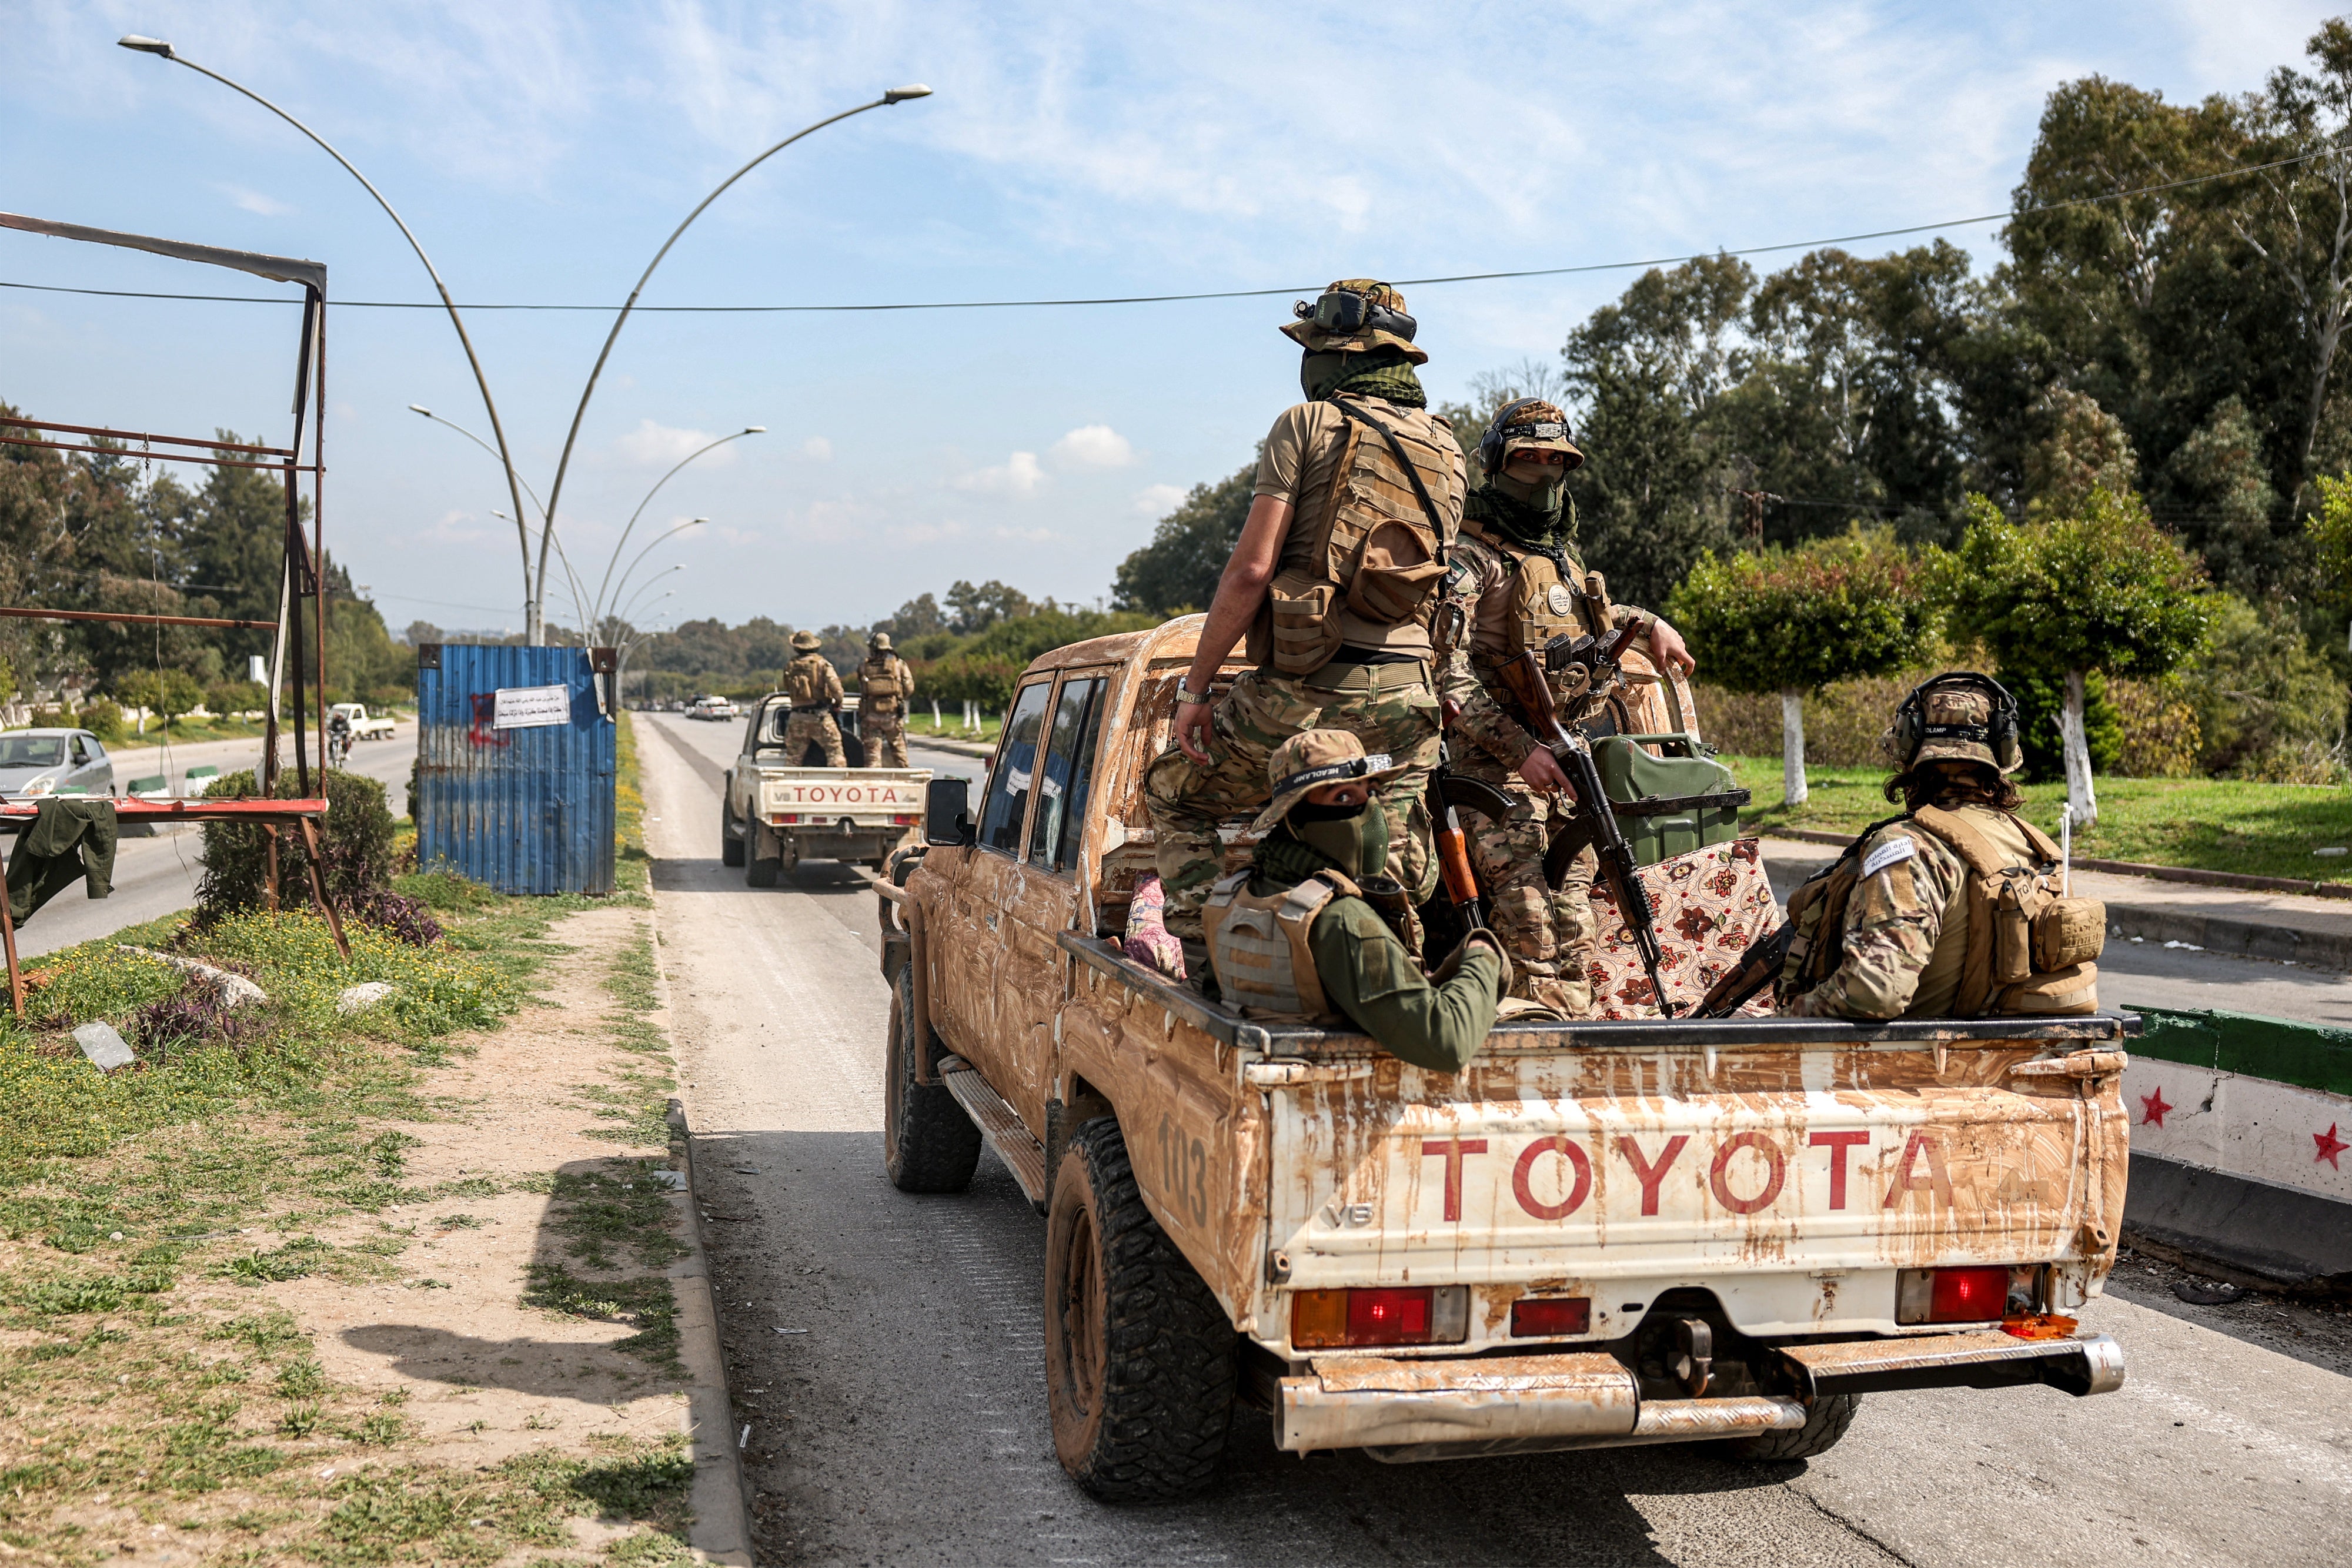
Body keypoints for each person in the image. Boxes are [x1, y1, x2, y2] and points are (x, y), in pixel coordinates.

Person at [1138, 279, 1467, 975]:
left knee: (1175, 795)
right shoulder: (1449, 447)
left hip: (1309, 692)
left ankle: (1209, 969)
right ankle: (1388, 977)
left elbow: (1251, 573)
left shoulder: (1308, 424)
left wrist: (1196, 688)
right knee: (1389, 848)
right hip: (1412, 698)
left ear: (1334, 354)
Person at [1435, 397, 1696, 1016]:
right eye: (1527, 461)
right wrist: (1519, 750)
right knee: (1528, 925)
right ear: (1496, 465)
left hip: (1566, 765)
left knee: (1576, 921)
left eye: (1557, 462)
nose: (1543, 477)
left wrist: (1651, 623)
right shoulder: (1469, 562)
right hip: (1492, 771)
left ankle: (1572, 1039)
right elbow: (1443, 675)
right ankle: (1524, 1043)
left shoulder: (1560, 556)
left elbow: (1590, 627)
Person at [1780, 673, 2102, 1019]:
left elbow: (1874, 992)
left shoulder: (1906, 848)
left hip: (1915, 1063)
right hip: (2012, 1057)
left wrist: (1786, 1019)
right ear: (2002, 754)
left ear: (1908, 749)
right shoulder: (2034, 845)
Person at [1201, 731, 1508, 1072]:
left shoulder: (1233, 897)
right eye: (1344, 798)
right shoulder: (1341, 918)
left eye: (1372, 792)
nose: (1370, 812)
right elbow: (1446, 1043)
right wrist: (1484, 954)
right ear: (1294, 817)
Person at [781, 630, 846, 768]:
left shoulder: (790, 666)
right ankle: (837, 783)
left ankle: (793, 785)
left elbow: (787, 686)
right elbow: (837, 689)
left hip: (797, 717)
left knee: (793, 758)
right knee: (835, 752)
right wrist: (838, 703)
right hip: (820, 717)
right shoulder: (822, 664)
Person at [858, 631, 915, 768]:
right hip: (893, 715)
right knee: (899, 750)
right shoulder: (899, 665)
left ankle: (874, 783)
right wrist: (899, 697)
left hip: (871, 715)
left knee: (873, 755)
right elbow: (909, 687)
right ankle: (905, 779)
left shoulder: (864, 666)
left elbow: (862, 689)